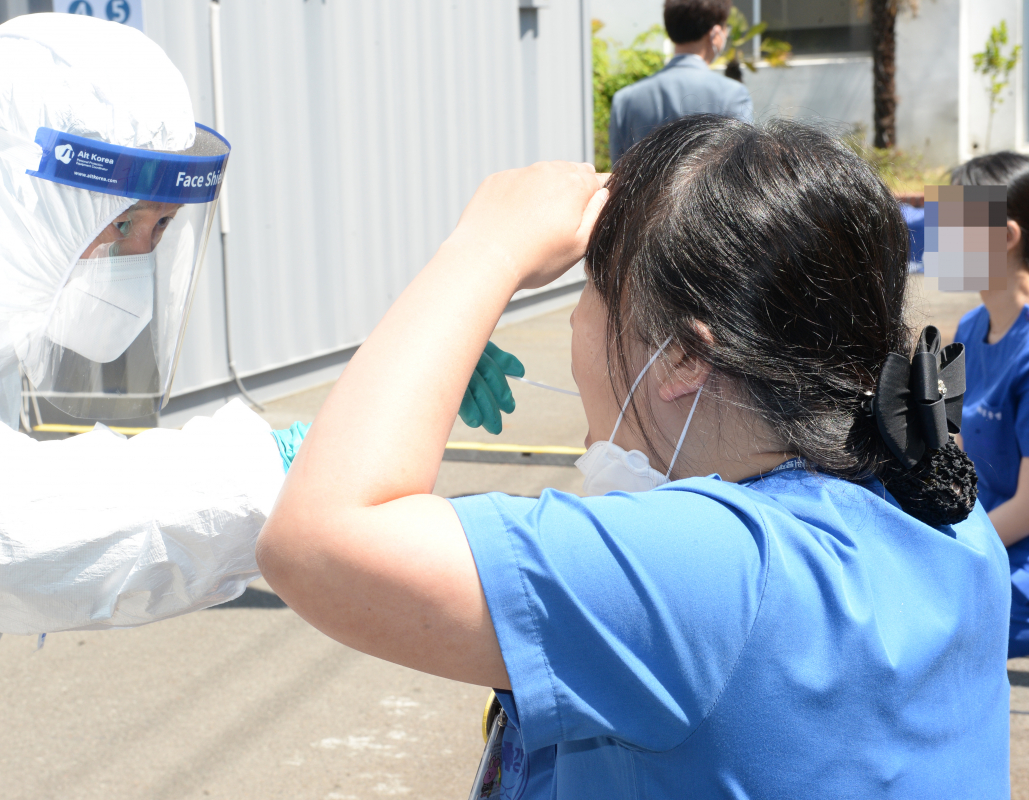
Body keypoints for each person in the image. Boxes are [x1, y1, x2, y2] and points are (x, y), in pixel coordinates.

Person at [0, 13, 518, 799]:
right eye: (122, 225)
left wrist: (376, 400)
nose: (137, 257)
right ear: (26, 193)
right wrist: (294, 462)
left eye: (161, 230)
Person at [258, 116, 1010, 797]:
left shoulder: (712, 571)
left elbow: (316, 542)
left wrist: (484, 251)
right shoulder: (940, 506)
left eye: (591, 291)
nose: (580, 321)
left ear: (683, 356)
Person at [950, 152, 1029, 657]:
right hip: (985, 537)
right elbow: (953, 458)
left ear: (1005, 237)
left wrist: (951, 551)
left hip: (1011, 553)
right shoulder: (968, 329)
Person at [608, 0, 752, 166]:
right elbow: (742, 169)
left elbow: (617, 173)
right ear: (716, 33)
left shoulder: (625, 99)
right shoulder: (733, 94)